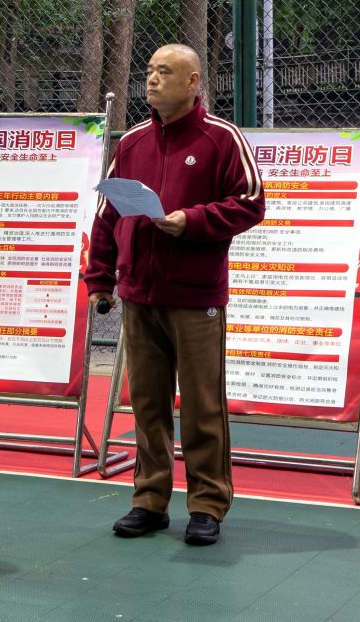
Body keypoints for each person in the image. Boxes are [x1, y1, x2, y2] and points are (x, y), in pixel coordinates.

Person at [86, 44, 265, 547]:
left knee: (203, 405)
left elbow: (251, 203)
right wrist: (100, 278)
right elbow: (108, 214)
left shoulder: (222, 138)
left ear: (192, 82)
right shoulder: (132, 142)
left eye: (164, 72)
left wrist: (193, 221)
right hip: (139, 295)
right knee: (147, 403)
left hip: (195, 297)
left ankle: (207, 505)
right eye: (149, 71)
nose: (152, 79)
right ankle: (149, 501)